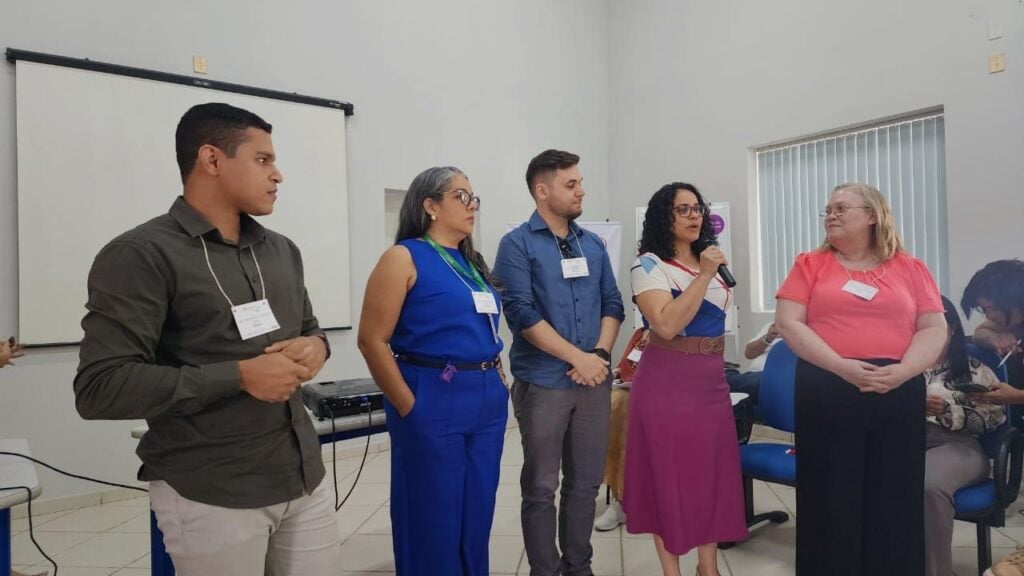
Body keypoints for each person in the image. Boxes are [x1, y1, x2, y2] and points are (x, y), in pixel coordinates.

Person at [74, 103, 341, 575]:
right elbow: (100, 387)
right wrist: (237, 376)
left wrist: (316, 346)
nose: (278, 175)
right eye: (263, 160)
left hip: (302, 473)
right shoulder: (141, 255)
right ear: (212, 160)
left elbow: (310, 329)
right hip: (212, 488)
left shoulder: (281, 251)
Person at [776, 182, 946, 575]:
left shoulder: (910, 267)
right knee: (831, 496)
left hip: (897, 388)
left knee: (894, 495)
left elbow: (933, 328)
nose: (830, 215)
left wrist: (903, 372)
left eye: (841, 208)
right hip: (828, 386)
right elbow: (788, 323)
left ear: (872, 215)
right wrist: (842, 366)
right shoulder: (810, 264)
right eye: (827, 210)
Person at [357, 166, 507, 576]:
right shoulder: (404, 257)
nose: (471, 205)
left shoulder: (471, 262)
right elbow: (371, 340)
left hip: (486, 398)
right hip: (432, 394)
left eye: (475, 197)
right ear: (430, 205)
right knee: (433, 512)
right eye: (461, 196)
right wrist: (409, 406)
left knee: (477, 510)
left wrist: (498, 374)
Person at [492, 149, 624, 576]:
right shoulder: (516, 245)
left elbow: (612, 302)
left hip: (594, 380)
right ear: (542, 190)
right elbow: (523, 315)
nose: (581, 190)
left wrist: (599, 356)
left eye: (581, 182)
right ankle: (544, 570)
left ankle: (578, 566)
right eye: (571, 184)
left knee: (585, 482)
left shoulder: (592, 243)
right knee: (541, 487)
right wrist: (578, 359)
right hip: (545, 382)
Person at [622, 182, 747, 576]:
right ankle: (671, 570)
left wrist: (707, 270)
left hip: (710, 381)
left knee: (710, 477)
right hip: (666, 383)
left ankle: (707, 567)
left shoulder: (708, 262)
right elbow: (666, 324)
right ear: (665, 216)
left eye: (698, 209)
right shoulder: (648, 266)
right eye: (684, 210)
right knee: (668, 479)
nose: (695, 216)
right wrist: (704, 275)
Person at [924, 296, 1005, 576]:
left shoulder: (973, 369)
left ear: (952, 328)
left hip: (959, 446)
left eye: (933, 326)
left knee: (928, 484)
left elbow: (992, 417)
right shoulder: (903, 368)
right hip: (907, 441)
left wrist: (948, 410)